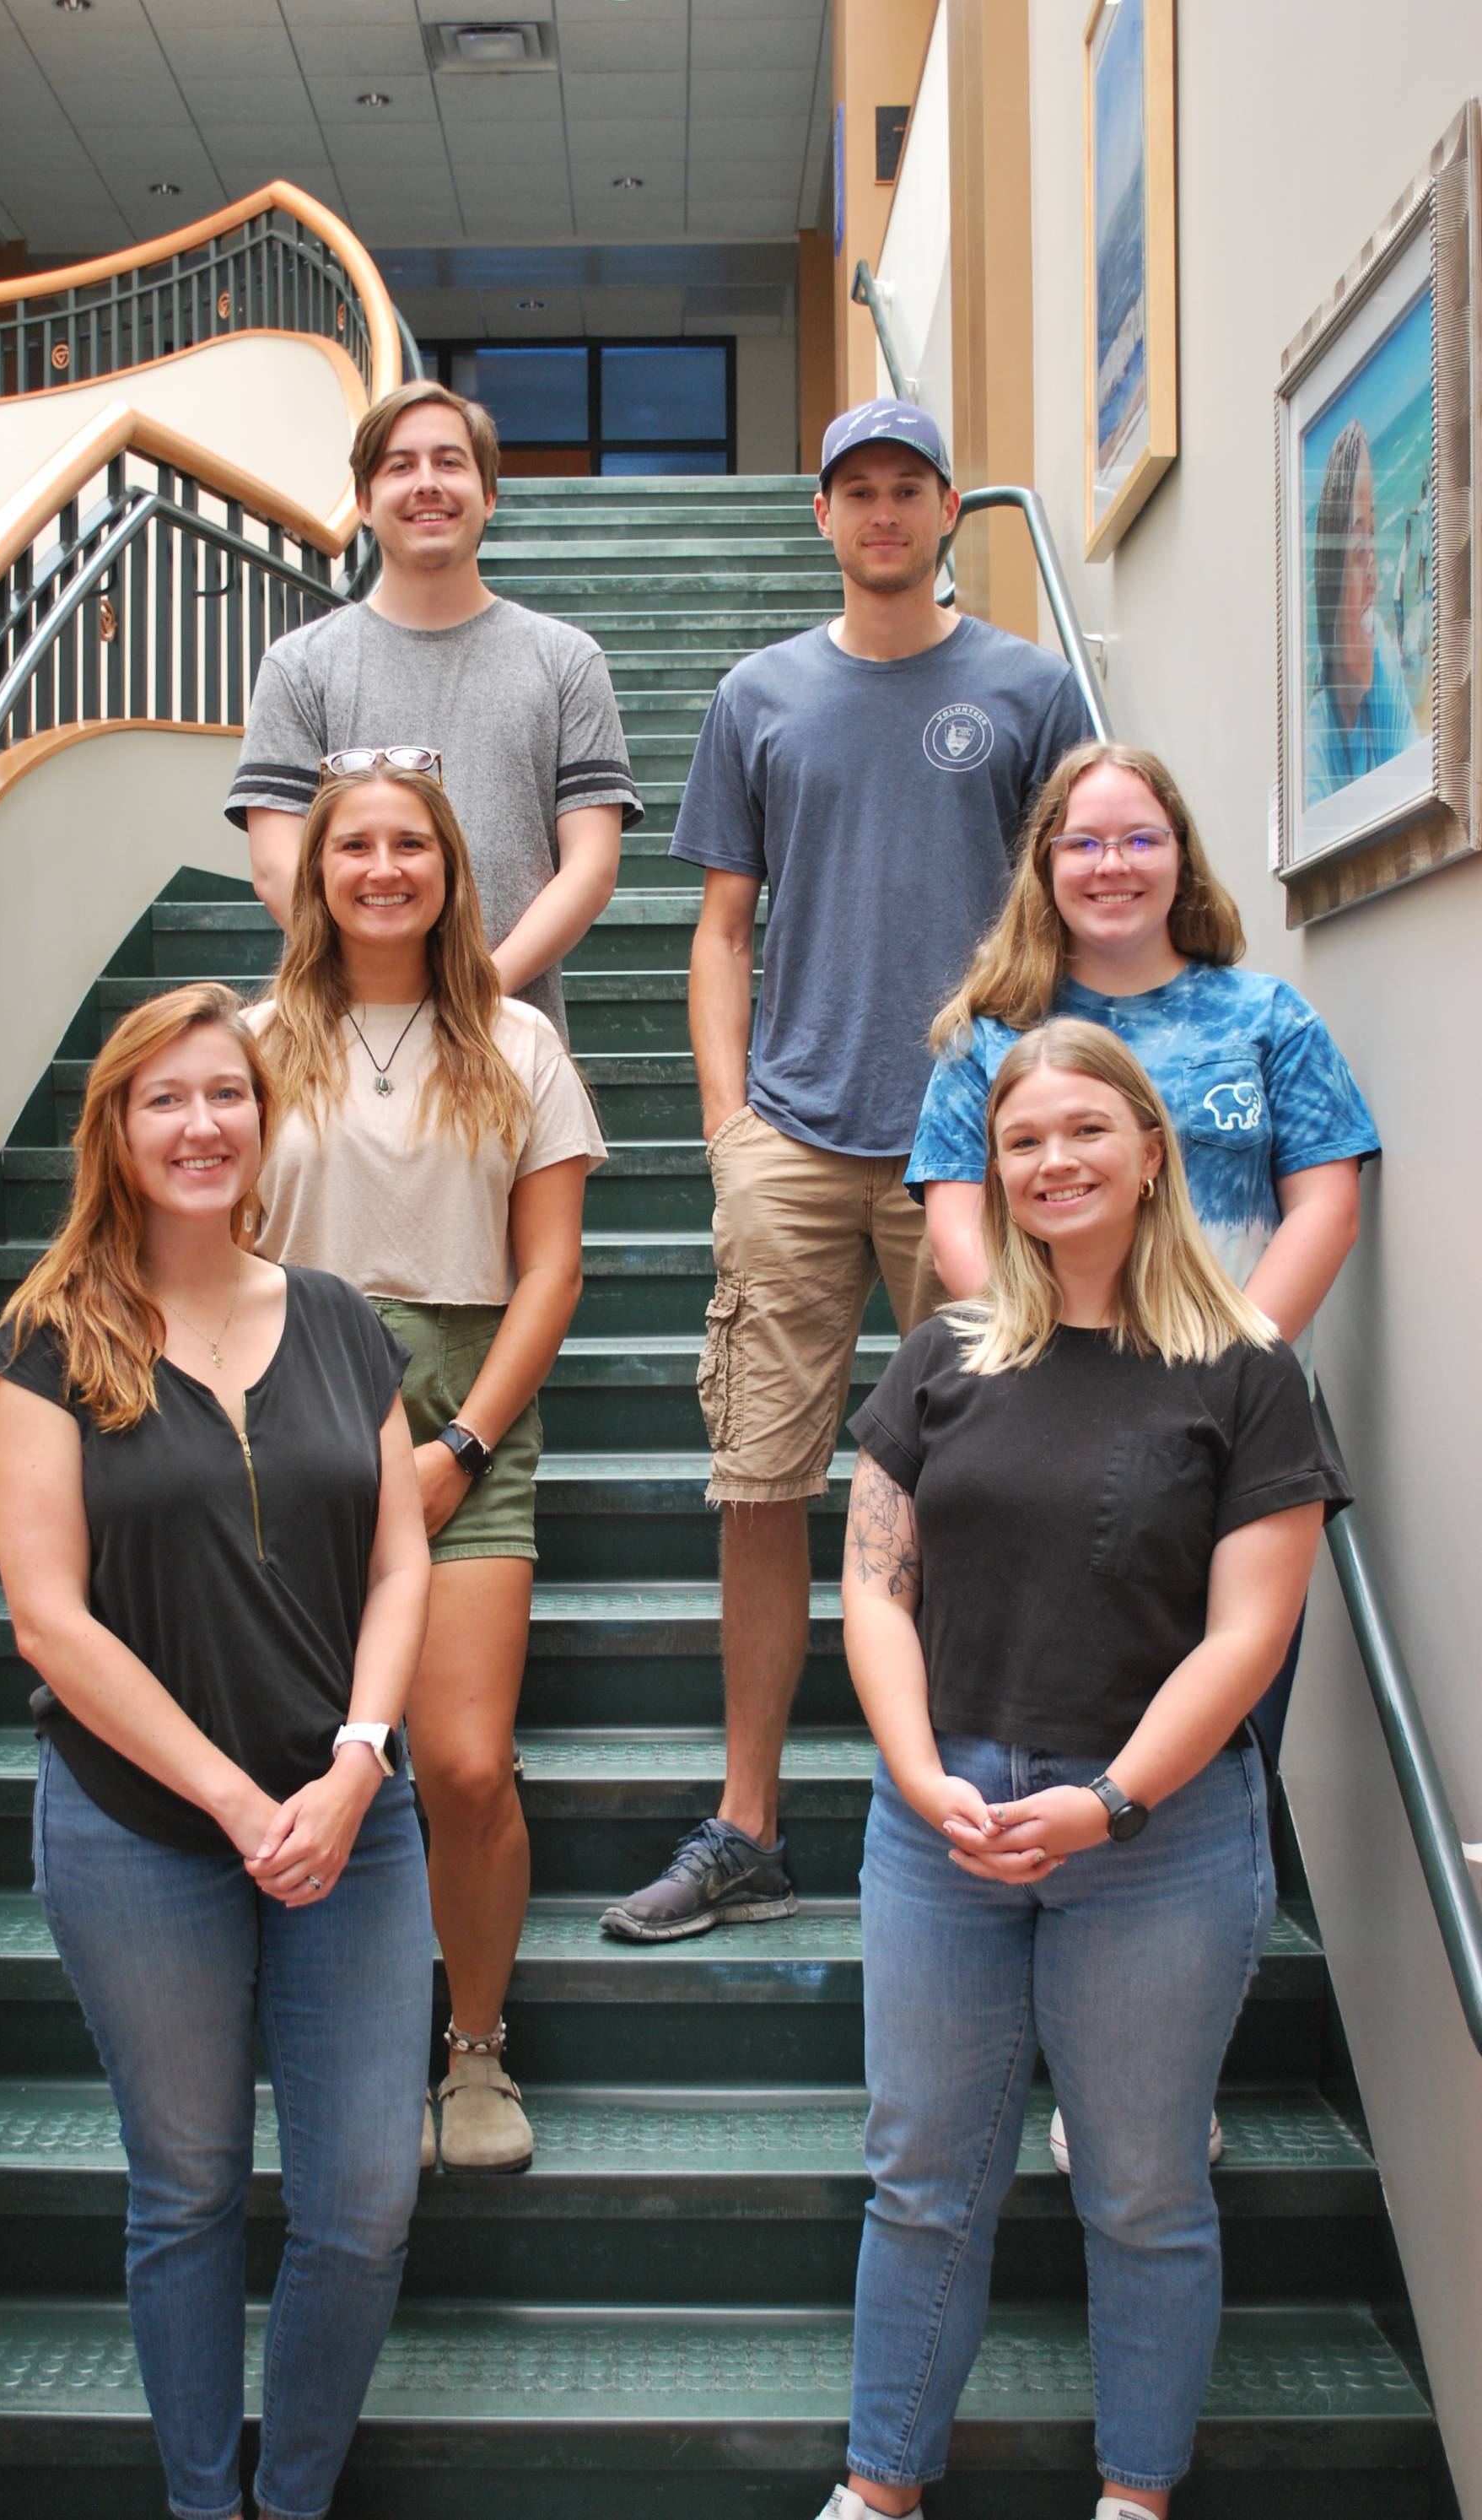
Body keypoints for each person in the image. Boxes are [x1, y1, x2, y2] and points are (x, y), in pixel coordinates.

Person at [818, 1017, 1347, 2520]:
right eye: (1024, 1141)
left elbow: (1249, 1636)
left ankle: (1136, 2494)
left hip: (1158, 1835)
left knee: (1143, 2189)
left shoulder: (1246, 1369)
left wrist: (1112, 1799)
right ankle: (878, 2489)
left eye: (1084, 1133)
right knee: (922, 2181)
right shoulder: (941, 1355)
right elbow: (872, 1585)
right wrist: (922, 1776)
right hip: (945, 1819)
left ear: (1149, 1150)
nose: (1053, 1162)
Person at [601, 398, 1097, 1943]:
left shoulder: (1029, 686)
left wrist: (1052, 1112)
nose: (882, 513)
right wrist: (726, 1125)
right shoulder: (762, 694)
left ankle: (980, 1795)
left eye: (908, 488)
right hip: (799, 1140)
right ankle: (751, 1824)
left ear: (951, 509)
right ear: (822, 516)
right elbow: (722, 930)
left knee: (996, 1476)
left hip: (977, 1149)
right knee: (762, 1484)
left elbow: (1077, 911)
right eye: (856, 491)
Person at [0, 982, 432, 2520]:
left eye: (226, 1095)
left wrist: (362, 1757)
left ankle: (289, 2496)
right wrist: (244, 1800)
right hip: (142, 1834)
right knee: (185, 2191)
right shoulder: (50, 1338)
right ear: (115, 1125)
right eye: (164, 1098)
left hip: (353, 1824)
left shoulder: (340, 1316)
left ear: (264, 1119)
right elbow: (50, 1620)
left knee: (363, 2201)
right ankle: (199, 2500)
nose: (200, 1124)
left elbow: (398, 1561)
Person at [251, 757, 603, 2174]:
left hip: (469, 1412)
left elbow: (555, 1269)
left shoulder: (519, 1041)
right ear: (315, 874)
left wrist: (460, 1443)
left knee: (459, 1762)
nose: (384, 867)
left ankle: (472, 2050)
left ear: (452, 870)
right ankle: (323, 2053)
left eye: (413, 845)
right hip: (284, 1413)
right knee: (295, 1757)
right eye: (356, 846)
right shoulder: (252, 1037)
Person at [914, 737, 1378, 1775]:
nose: (1109, 864)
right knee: (1037, 1723)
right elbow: (956, 1225)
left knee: (1222, 1725)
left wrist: (1229, 1365)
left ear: (1179, 855)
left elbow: (1324, 1208)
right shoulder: (987, 1037)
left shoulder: (1265, 1019)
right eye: (1080, 842)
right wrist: (1057, 1374)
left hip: (1228, 1422)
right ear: (1043, 865)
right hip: (1037, 1414)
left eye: (1138, 838)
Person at [225, 377, 642, 1036]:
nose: (427, 483)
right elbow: (279, 866)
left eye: (450, 462)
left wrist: (477, 997)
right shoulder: (300, 666)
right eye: (400, 466)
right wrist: (388, 996)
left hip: (508, 1036)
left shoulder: (566, 661)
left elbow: (591, 866)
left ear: (490, 494)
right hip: (339, 1036)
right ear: (364, 500)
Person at [1305, 418, 1417, 803]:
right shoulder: (1314, 744)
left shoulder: (1381, 653)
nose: (1374, 572)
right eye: (1357, 547)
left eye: (1372, 534)